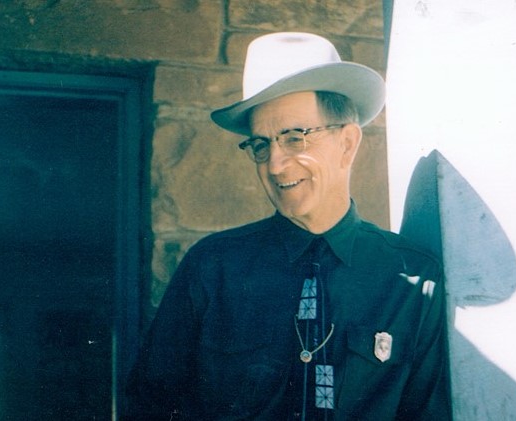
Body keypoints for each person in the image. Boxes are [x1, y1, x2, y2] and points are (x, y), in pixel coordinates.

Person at [125, 33, 451, 420]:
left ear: (347, 143)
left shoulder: (416, 281)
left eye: (295, 138)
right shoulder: (212, 267)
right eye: (261, 145)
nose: (275, 164)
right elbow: (150, 406)